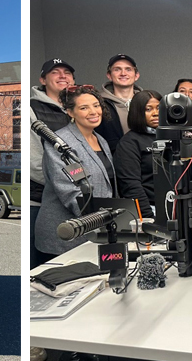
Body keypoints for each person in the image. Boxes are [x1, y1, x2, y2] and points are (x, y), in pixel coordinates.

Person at [35, 85, 114, 263]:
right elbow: (70, 192)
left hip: (95, 230)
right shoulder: (60, 143)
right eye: (84, 108)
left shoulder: (101, 140)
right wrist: (102, 219)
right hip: (65, 236)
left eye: (96, 105)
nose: (93, 112)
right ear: (70, 112)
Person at [30, 59, 77, 269]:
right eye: (55, 72)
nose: (62, 76)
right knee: (45, 263)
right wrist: (63, 183)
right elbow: (34, 159)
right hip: (42, 199)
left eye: (67, 72)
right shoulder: (33, 109)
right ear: (43, 79)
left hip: (77, 198)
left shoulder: (79, 107)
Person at [115, 90, 163, 217]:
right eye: (148, 109)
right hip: (151, 209)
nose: (155, 113)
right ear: (138, 113)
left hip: (179, 207)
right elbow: (131, 184)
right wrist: (147, 216)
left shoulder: (174, 138)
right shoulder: (129, 143)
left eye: (159, 108)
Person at [97, 54, 142, 152]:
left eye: (128, 69)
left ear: (136, 75)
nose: (123, 73)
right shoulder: (98, 103)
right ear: (109, 75)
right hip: (113, 162)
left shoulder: (148, 102)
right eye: (117, 69)